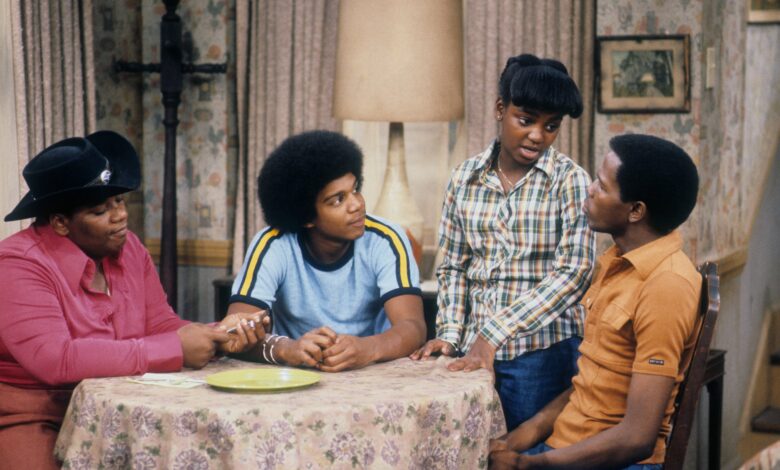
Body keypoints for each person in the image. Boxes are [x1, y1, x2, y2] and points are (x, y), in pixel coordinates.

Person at [0, 131, 264, 469]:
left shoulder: (128, 248)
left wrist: (218, 333)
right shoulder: (18, 264)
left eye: (119, 201)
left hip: (117, 407)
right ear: (61, 223)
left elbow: (160, 324)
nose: (120, 216)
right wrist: (175, 348)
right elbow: (57, 359)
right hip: (36, 412)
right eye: (100, 210)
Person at [489, 134, 701, 469]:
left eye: (601, 186)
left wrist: (530, 465)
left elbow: (637, 437)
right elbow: (589, 384)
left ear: (635, 211)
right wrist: (517, 438)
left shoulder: (666, 285)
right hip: (565, 447)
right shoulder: (617, 261)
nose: (589, 189)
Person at [411, 53, 596, 431]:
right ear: (500, 109)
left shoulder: (570, 180)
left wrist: (492, 335)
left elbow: (574, 274)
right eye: (526, 120)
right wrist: (450, 335)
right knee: (470, 450)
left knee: (521, 453)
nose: (538, 135)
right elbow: (454, 266)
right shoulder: (464, 178)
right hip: (471, 355)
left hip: (542, 354)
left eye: (551, 126)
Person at [228, 130, 426, 372]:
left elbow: (413, 327)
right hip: (294, 376)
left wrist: (368, 348)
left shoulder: (387, 238)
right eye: (338, 200)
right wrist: (288, 349)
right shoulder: (272, 245)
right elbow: (234, 332)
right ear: (306, 217)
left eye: (355, 189)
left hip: (372, 374)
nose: (357, 204)